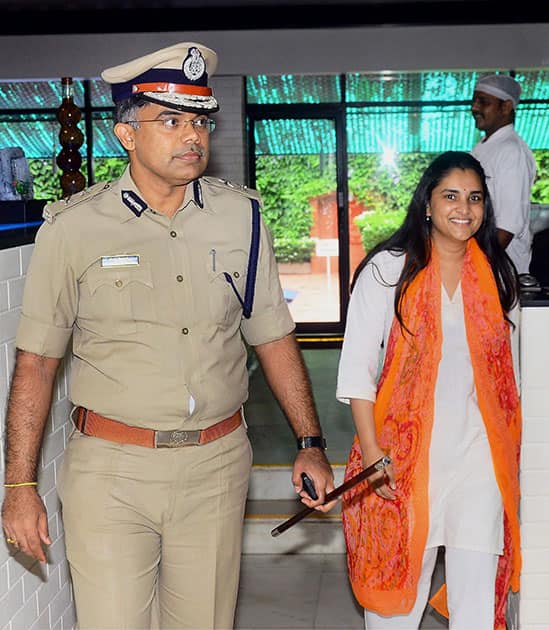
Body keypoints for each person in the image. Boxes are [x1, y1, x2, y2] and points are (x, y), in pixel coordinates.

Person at [1, 41, 335, 630]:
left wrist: (310, 439)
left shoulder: (242, 218)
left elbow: (273, 336)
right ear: (126, 134)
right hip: (111, 472)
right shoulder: (74, 228)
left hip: (216, 466)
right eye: (173, 120)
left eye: (201, 121)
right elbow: (36, 364)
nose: (193, 136)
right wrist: (20, 484)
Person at [337, 151, 521, 629]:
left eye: (475, 198)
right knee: (396, 600)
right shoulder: (387, 270)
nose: (464, 208)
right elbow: (358, 369)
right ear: (427, 203)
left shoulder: (497, 276)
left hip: (478, 458)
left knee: (476, 604)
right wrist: (374, 452)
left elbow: (505, 381)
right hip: (403, 457)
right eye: (451, 196)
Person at [471, 73, 537, 275]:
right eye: (474, 100)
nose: (474, 108)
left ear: (506, 107)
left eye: (483, 102)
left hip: (499, 270)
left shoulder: (511, 151)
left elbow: (507, 226)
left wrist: (475, 268)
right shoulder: (482, 147)